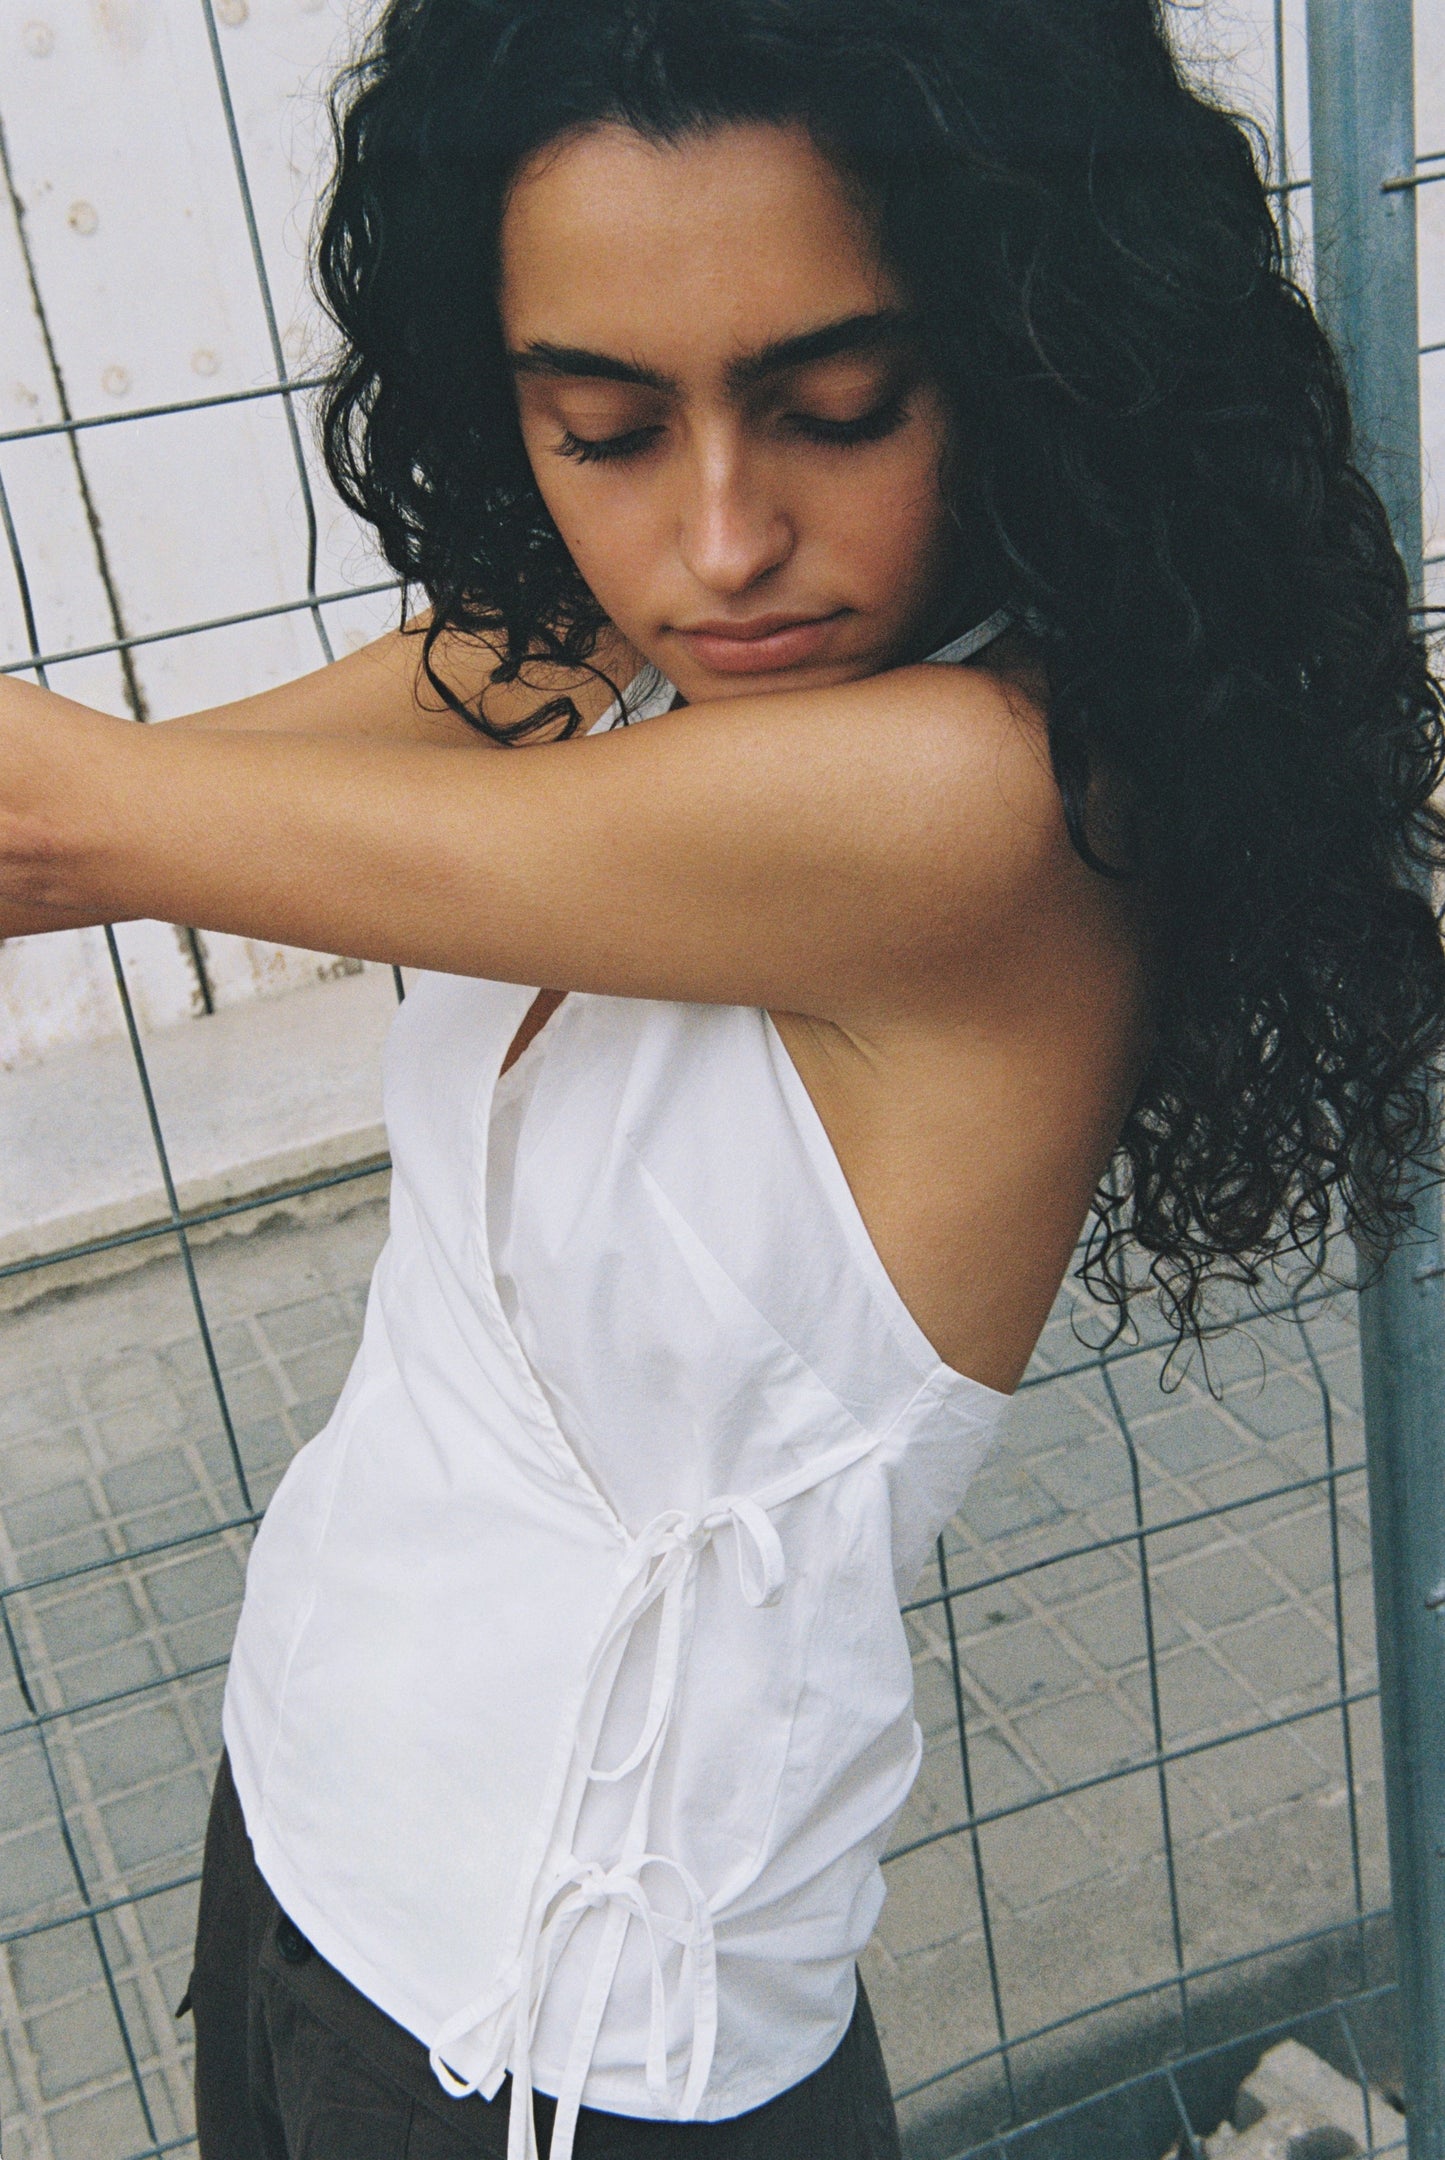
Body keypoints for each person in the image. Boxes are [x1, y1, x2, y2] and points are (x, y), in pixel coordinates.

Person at [2, 0, 1442, 2153]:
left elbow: (76, 823)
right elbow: (97, 814)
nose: (725, 541)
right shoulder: (622, 656)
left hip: (569, 2059)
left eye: (836, 406)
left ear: (1032, 344)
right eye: (600, 427)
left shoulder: (983, 804)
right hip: (309, 1830)